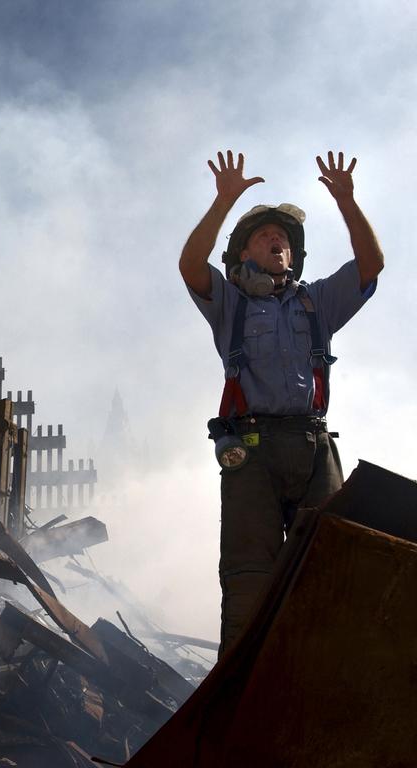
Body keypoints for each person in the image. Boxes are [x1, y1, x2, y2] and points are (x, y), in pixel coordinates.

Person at [179, 150, 383, 655]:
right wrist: (223, 202)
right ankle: (240, 698)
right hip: (252, 452)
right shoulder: (230, 303)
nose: (279, 241)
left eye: (286, 240)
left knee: (334, 567)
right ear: (243, 254)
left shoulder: (316, 302)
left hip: (314, 448)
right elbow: (190, 266)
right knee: (250, 580)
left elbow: (370, 265)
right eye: (266, 236)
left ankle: (329, 683)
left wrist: (348, 203)